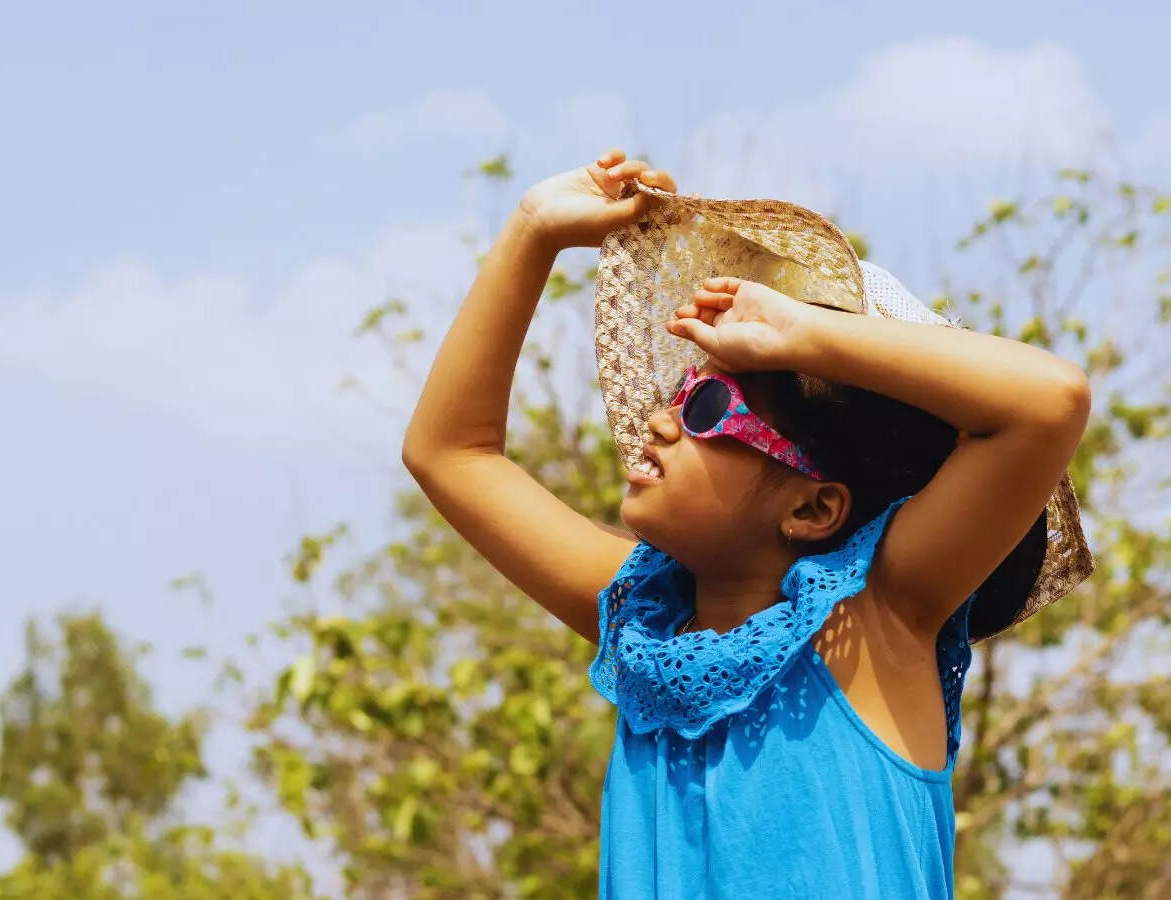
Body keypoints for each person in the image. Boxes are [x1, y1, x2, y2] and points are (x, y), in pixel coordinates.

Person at [401, 148, 1091, 898]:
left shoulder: (880, 614)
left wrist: (800, 334)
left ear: (814, 507)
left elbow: (1047, 402)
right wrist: (533, 229)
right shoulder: (640, 623)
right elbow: (449, 453)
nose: (662, 423)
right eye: (681, 393)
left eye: (706, 410)